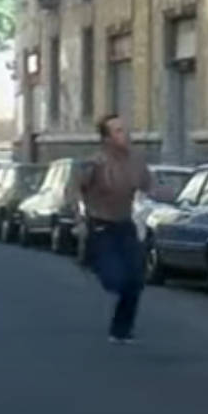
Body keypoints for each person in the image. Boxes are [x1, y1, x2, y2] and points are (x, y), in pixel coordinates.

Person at [79, 114, 153, 344]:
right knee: (116, 280)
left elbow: (150, 186)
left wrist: (175, 197)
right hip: (101, 227)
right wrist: (79, 219)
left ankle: (121, 329)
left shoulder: (137, 161)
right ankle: (93, 260)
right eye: (118, 131)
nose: (125, 134)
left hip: (125, 225)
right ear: (107, 139)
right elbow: (74, 190)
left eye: (125, 129)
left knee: (136, 280)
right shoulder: (95, 162)